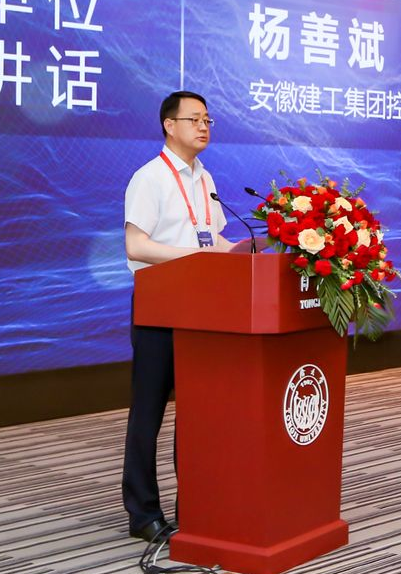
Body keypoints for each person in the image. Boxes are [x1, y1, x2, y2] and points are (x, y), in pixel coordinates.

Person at [120, 90, 242, 542]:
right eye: (194, 119)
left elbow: (213, 241)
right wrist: (194, 257)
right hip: (159, 308)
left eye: (208, 119)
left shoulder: (205, 177)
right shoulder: (149, 178)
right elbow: (136, 245)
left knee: (196, 415)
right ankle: (142, 513)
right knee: (148, 412)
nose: (204, 126)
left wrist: (252, 248)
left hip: (201, 311)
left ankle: (194, 507)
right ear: (169, 126)